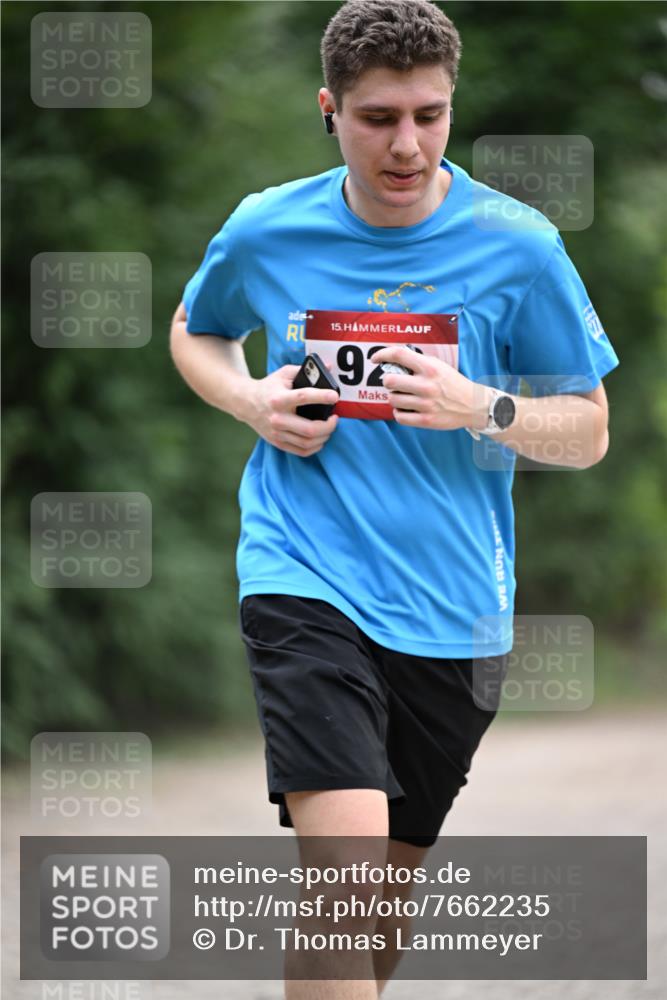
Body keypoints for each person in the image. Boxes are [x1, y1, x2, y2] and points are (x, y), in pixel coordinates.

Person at [170, 1, 619, 995]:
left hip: (453, 612)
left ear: (451, 106)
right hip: (304, 574)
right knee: (343, 878)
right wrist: (249, 398)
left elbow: (588, 428)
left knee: (372, 920)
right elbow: (197, 328)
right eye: (378, 118)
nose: (407, 143)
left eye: (429, 113)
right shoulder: (267, 227)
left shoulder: (521, 247)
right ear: (329, 110)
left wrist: (482, 407)